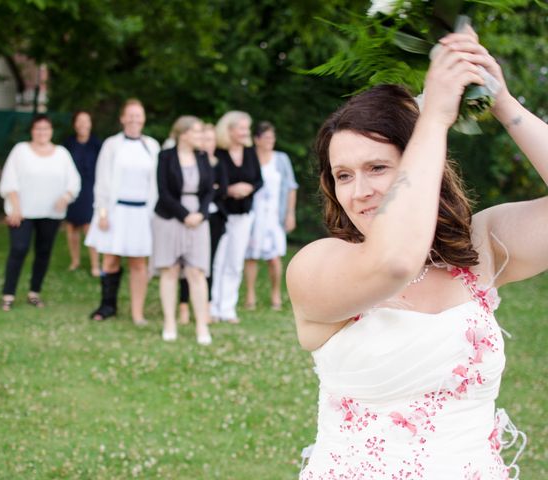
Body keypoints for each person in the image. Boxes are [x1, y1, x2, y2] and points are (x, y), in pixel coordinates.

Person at [288, 28, 544, 478]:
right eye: (343, 175)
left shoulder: (480, 252)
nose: (360, 192)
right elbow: (394, 262)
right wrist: (435, 118)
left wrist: (501, 102)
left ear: (421, 164)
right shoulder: (317, 265)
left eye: (377, 167)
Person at [85, 99, 160, 324]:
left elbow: (156, 183)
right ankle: (108, 305)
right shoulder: (112, 145)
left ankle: (138, 312)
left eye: (139, 115)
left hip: (141, 213)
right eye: (131, 115)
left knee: (138, 263)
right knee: (110, 260)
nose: (135, 120)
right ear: (122, 118)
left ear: (144, 118)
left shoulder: (152, 146)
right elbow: (102, 180)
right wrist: (102, 212)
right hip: (116, 210)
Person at [0, 114, 81, 311]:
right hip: (22, 212)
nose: (42, 132)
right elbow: (9, 180)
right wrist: (16, 207)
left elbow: (74, 181)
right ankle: (8, 294)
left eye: (46, 128)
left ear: (51, 131)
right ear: (32, 131)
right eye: (38, 128)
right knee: (19, 249)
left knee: (43, 252)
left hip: (50, 213)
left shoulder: (61, 154)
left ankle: (34, 292)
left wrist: (65, 197)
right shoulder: (20, 151)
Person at [152, 116, 214, 344]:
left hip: (198, 218)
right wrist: (183, 215)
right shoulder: (165, 157)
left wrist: (200, 214)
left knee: (196, 272)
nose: (201, 137)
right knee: (169, 270)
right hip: (170, 217)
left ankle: (201, 326)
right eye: (197, 133)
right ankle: (170, 322)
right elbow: (163, 191)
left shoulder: (202, 157)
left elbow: (209, 190)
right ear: (184, 134)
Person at [210, 111, 263, 323]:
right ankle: (212, 307)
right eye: (241, 128)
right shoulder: (218, 153)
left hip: (244, 214)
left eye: (246, 128)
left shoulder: (250, 152)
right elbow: (211, 183)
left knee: (235, 262)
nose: (245, 132)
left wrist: (248, 188)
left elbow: (259, 180)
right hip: (222, 215)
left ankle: (227, 308)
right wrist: (229, 190)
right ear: (229, 130)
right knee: (218, 261)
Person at [244, 121, 298, 311]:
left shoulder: (281, 159)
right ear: (256, 140)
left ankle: (276, 293)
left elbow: (291, 187)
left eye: (272, 137)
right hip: (253, 214)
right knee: (250, 256)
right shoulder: (248, 157)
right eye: (266, 137)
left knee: (274, 257)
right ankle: (250, 295)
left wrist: (290, 214)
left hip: (275, 214)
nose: (270, 141)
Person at [177, 123, 228, 325]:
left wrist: (212, 189)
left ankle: (205, 305)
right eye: (205, 139)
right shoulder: (194, 162)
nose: (208, 143)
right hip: (190, 214)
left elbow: (221, 189)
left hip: (213, 218)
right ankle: (183, 305)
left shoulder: (218, 164)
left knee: (207, 264)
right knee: (184, 262)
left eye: (212, 139)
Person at [64, 111, 102, 277]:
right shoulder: (68, 144)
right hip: (72, 188)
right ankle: (75, 261)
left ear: (91, 123)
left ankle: (95, 265)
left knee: (89, 226)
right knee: (71, 226)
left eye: (86, 121)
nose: (83, 124)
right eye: (79, 121)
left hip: (90, 188)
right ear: (75, 124)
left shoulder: (97, 144)